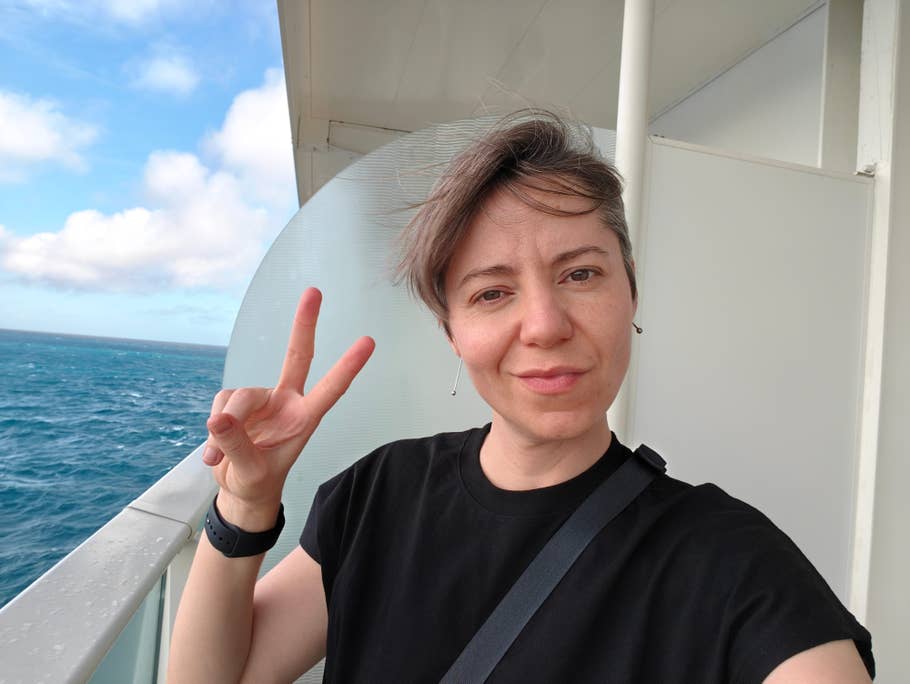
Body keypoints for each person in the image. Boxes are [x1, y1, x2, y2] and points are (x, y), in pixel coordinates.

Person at [168, 111, 874, 683]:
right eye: (492, 292)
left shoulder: (728, 559)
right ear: (453, 332)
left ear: (630, 289)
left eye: (581, 274)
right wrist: (246, 506)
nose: (543, 325)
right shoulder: (381, 495)